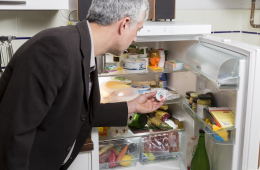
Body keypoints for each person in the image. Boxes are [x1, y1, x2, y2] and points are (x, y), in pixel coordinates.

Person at [0, 0, 166, 169]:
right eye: (137, 30)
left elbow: (79, 112)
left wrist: (132, 106)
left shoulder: (84, 48)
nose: (135, 38)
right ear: (124, 24)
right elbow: (13, 132)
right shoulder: (55, 48)